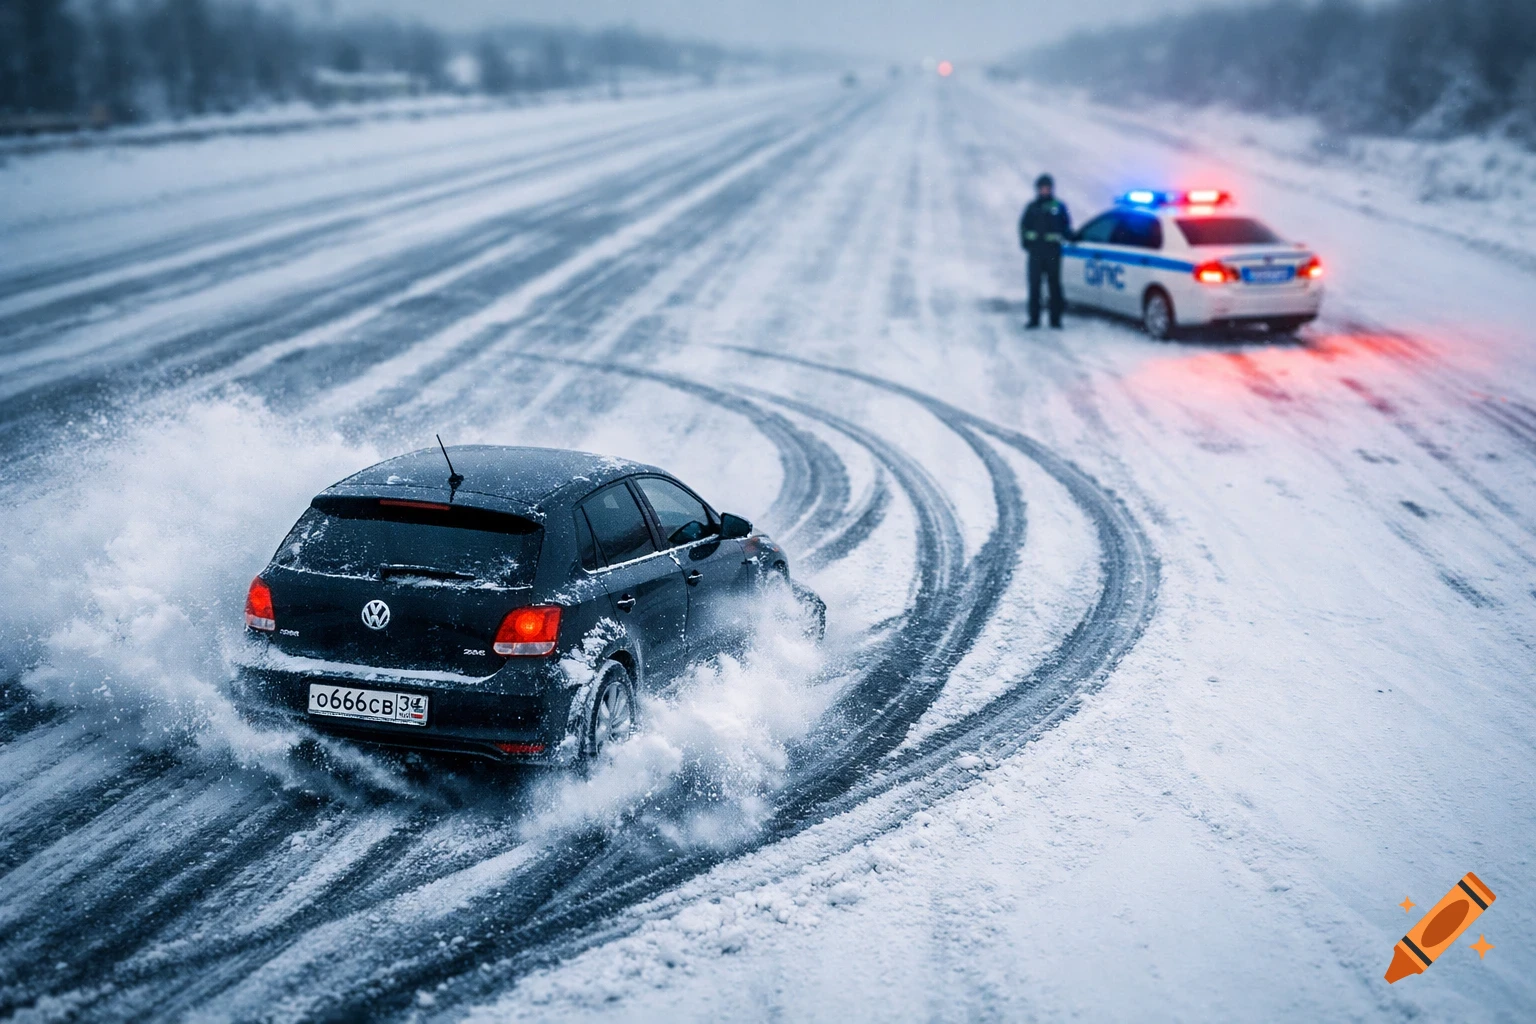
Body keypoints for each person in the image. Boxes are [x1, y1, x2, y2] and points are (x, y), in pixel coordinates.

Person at [1019, 173, 1071, 328]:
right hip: (1035, 253)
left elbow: (1066, 226)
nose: (1044, 191)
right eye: (1042, 188)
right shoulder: (1032, 207)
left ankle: (1055, 320)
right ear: (1038, 189)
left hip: (1053, 253)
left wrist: (1070, 237)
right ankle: (1034, 319)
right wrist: (1026, 243)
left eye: (1047, 188)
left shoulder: (1058, 206)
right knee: (1034, 286)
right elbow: (1023, 227)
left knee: (1054, 286)